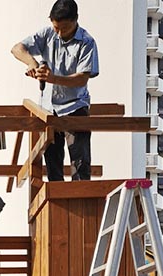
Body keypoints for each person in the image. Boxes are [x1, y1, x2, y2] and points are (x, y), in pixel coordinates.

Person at [11, 0, 99, 181]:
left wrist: (52, 78)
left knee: (80, 163)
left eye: (64, 28)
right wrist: (32, 63)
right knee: (53, 163)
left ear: (76, 21)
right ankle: (57, 205)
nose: (59, 33)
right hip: (48, 111)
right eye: (56, 28)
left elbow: (82, 78)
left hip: (75, 108)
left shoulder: (87, 42)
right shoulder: (47, 33)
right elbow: (17, 48)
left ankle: (80, 201)